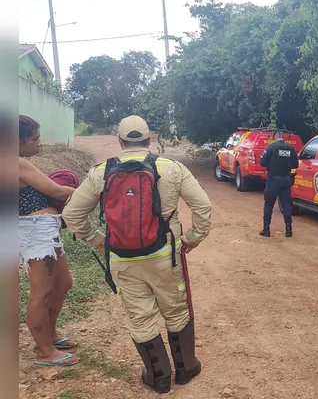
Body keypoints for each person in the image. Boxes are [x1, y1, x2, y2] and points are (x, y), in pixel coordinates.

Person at [62, 115, 212, 394]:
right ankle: (186, 368)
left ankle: (158, 377)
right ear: (149, 139)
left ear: (119, 141)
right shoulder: (172, 168)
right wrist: (192, 239)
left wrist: (97, 241)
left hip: (122, 259)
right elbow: (203, 208)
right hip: (165, 255)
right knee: (176, 309)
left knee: (140, 317)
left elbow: (71, 214)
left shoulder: (101, 172)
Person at [18, 115, 79, 367]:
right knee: (41, 292)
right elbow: (54, 190)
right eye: (34, 139)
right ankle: (45, 351)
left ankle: (49, 335)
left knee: (63, 282)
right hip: (34, 232)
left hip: (43, 231)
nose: (39, 144)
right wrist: (87, 191)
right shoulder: (15, 163)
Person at [258, 129, 299, 237]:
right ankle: (288, 230)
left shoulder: (271, 147)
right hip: (286, 180)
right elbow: (296, 165)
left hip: (273, 180)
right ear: (283, 137)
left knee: (268, 205)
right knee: (286, 204)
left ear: (274, 137)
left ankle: (266, 229)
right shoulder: (291, 148)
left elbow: (262, 162)